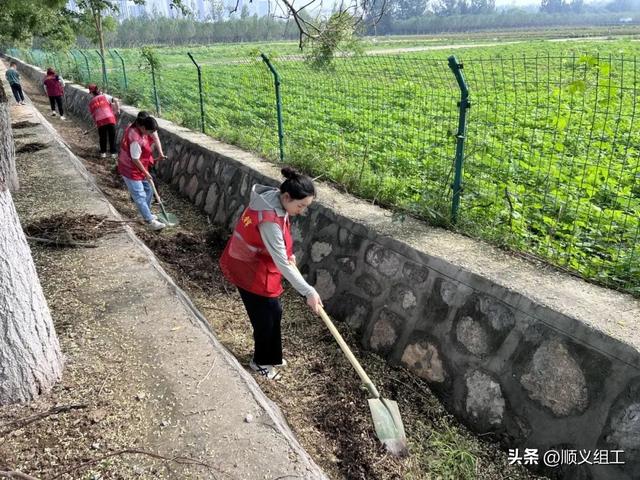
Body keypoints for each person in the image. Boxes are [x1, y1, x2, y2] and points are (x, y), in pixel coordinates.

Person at [219, 167, 323, 380]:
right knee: (265, 317)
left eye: (306, 206)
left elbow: (280, 246)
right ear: (286, 197)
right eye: (300, 205)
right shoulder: (268, 217)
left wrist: (287, 253)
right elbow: (282, 263)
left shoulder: (274, 200)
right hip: (248, 269)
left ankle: (271, 355)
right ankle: (261, 362)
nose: (302, 211)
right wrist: (308, 291)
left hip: (258, 263)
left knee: (274, 311)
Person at [117, 114, 166, 231]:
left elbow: (153, 139)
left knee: (148, 188)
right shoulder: (135, 139)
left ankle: (146, 213)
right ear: (143, 127)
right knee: (139, 195)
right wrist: (146, 172)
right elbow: (135, 159)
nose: (150, 135)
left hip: (139, 166)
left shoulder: (137, 128)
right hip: (130, 168)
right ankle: (149, 221)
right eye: (149, 132)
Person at [87, 83, 120, 159]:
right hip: (110, 118)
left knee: (102, 137)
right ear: (98, 90)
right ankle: (113, 153)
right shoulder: (105, 96)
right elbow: (116, 100)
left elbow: (93, 115)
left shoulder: (91, 103)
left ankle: (103, 153)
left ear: (91, 92)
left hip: (100, 121)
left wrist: (96, 123)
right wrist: (117, 110)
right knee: (112, 136)